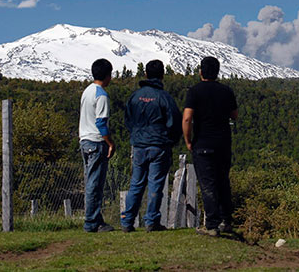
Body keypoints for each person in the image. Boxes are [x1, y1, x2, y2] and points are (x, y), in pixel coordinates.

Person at [121, 60, 182, 232]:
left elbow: (128, 119)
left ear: (145, 74)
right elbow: (174, 122)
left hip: (139, 145)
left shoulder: (135, 96)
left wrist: (135, 135)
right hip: (159, 145)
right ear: (162, 75)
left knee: (136, 183)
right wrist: (171, 141)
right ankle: (151, 221)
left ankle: (127, 221)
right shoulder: (164, 97)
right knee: (155, 184)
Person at [182, 56, 238, 237]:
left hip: (202, 143)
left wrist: (188, 140)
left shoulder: (194, 91)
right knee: (223, 182)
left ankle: (211, 224)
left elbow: (187, 118)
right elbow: (234, 115)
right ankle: (226, 221)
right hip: (223, 143)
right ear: (217, 72)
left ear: (200, 72)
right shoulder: (226, 91)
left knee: (208, 185)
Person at [79, 58, 116, 233]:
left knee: (90, 181)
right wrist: (109, 142)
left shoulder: (87, 91)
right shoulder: (101, 94)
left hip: (84, 139)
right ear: (108, 75)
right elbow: (101, 122)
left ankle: (95, 217)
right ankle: (91, 221)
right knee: (95, 183)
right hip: (96, 141)